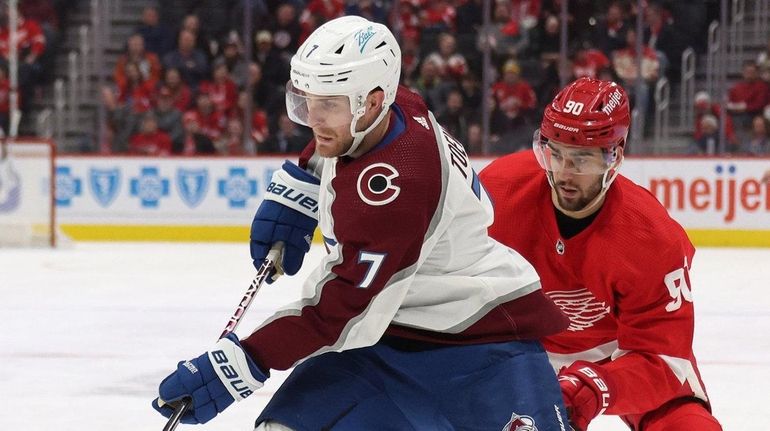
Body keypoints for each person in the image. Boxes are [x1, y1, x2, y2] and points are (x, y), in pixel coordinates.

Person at [152, 15, 571, 430]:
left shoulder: (391, 191)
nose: (313, 118)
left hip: (480, 340)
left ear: (371, 101)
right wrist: (304, 181)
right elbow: (331, 138)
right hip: (386, 336)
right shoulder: (396, 102)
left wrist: (245, 361)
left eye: (328, 105)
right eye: (307, 100)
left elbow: (338, 312)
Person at [479, 77, 723, 431]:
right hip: (522, 349)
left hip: (618, 354)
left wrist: (598, 386)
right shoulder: (500, 190)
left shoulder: (652, 236)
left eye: (581, 159)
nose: (563, 172)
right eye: (555, 152)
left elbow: (662, 357)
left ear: (615, 156)